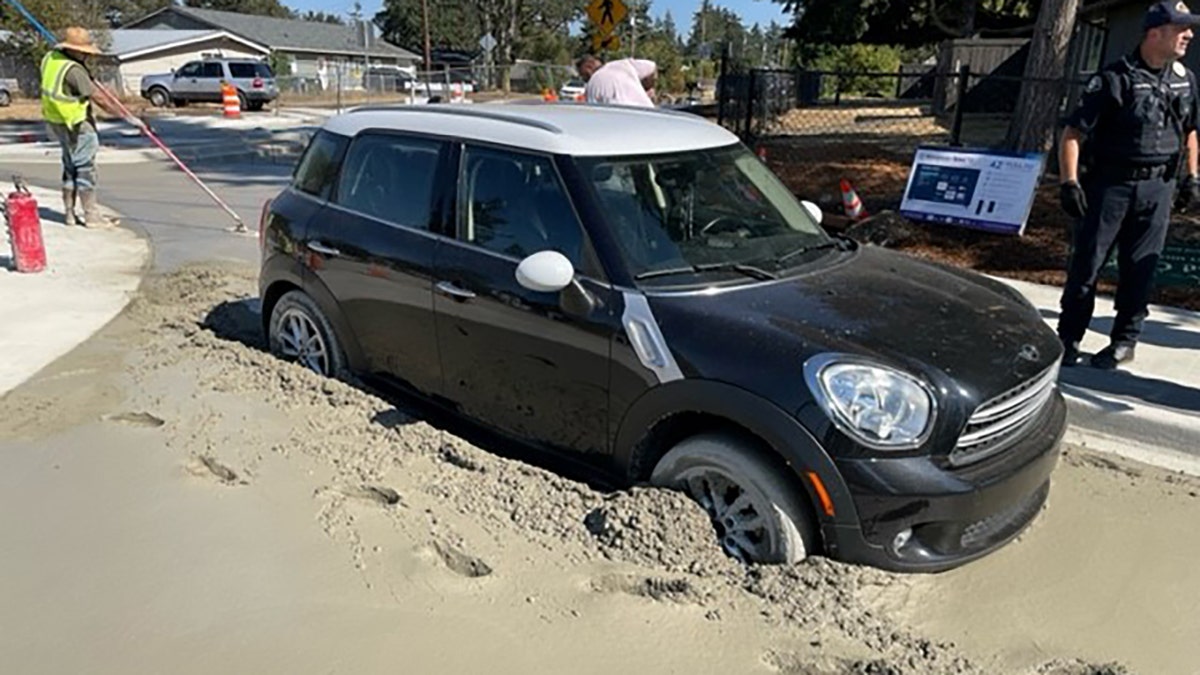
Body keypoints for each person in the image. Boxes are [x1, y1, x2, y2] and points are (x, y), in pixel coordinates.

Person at [1057, 1, 1200, 370]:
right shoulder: (1113, 79)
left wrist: (1191, 177)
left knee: (1140, 270)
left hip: (1158, 189)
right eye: (1181, 28)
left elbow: (1191, 131)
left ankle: (1124, 341)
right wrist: (1070, 182)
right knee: (1087, 265)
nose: (1189, 34)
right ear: (1155, 33)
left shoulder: (1184, 78)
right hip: (1110, 186)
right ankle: (1069, 338)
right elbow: (1073, 133)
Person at [41, 26, 138, 228]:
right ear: (75, 50)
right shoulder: (74, 70)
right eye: (84, 51)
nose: (86, 55)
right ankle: (91, 216)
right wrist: (127, 117)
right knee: (85, 168)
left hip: (57, 120)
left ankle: (69, 215)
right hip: (77, 123)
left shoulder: (51, 59)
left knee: (70, 168)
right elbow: (99, 98)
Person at [583, 57, 657, 107]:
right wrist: (647, 87)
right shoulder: (622, 64)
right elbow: (651, 67)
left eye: (583, 75)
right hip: (647, 115)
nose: (584, 79)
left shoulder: (593, 82)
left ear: (589, 66)